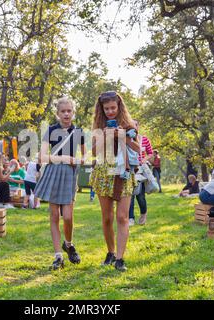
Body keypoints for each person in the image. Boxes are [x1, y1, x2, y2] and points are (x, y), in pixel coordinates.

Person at [89, 91, 140, 272]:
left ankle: (120, 258)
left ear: (119, 106)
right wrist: (105, 136)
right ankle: (110, 253)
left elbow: (138, 148)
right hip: (103, 173)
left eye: (113, 107)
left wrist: (122, 136)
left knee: (122, 217)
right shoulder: (98, 126)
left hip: (123, 174)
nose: (110, 111)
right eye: (106, 108)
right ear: (102, 109)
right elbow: (94, 152)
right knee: (107, 217)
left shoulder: (129, 125)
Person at [34, 97, 85, 270]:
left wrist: (76, 160)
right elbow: (42, 157)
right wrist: (64, 158)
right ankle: (58, 256)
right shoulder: (50, 130)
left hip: (70, 174)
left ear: (73, 112)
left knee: (68, 217)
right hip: (53, 173)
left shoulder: (78, 131)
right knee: (55, 216)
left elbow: (84, 157)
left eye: (69, 111)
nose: (66, 114)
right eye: (63, 111)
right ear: (57, 114)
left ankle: (69, 244)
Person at [129, 120, 153, 227]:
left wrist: (144, 159)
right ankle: (130, 218)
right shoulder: (127, 139)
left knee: (140, 195)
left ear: (138, 126)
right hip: (130, 170)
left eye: (135, 125)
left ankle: (143, 213)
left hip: (141, 171)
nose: (133, 127)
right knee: (130, 195)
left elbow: (150, 153)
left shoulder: (144, 139)